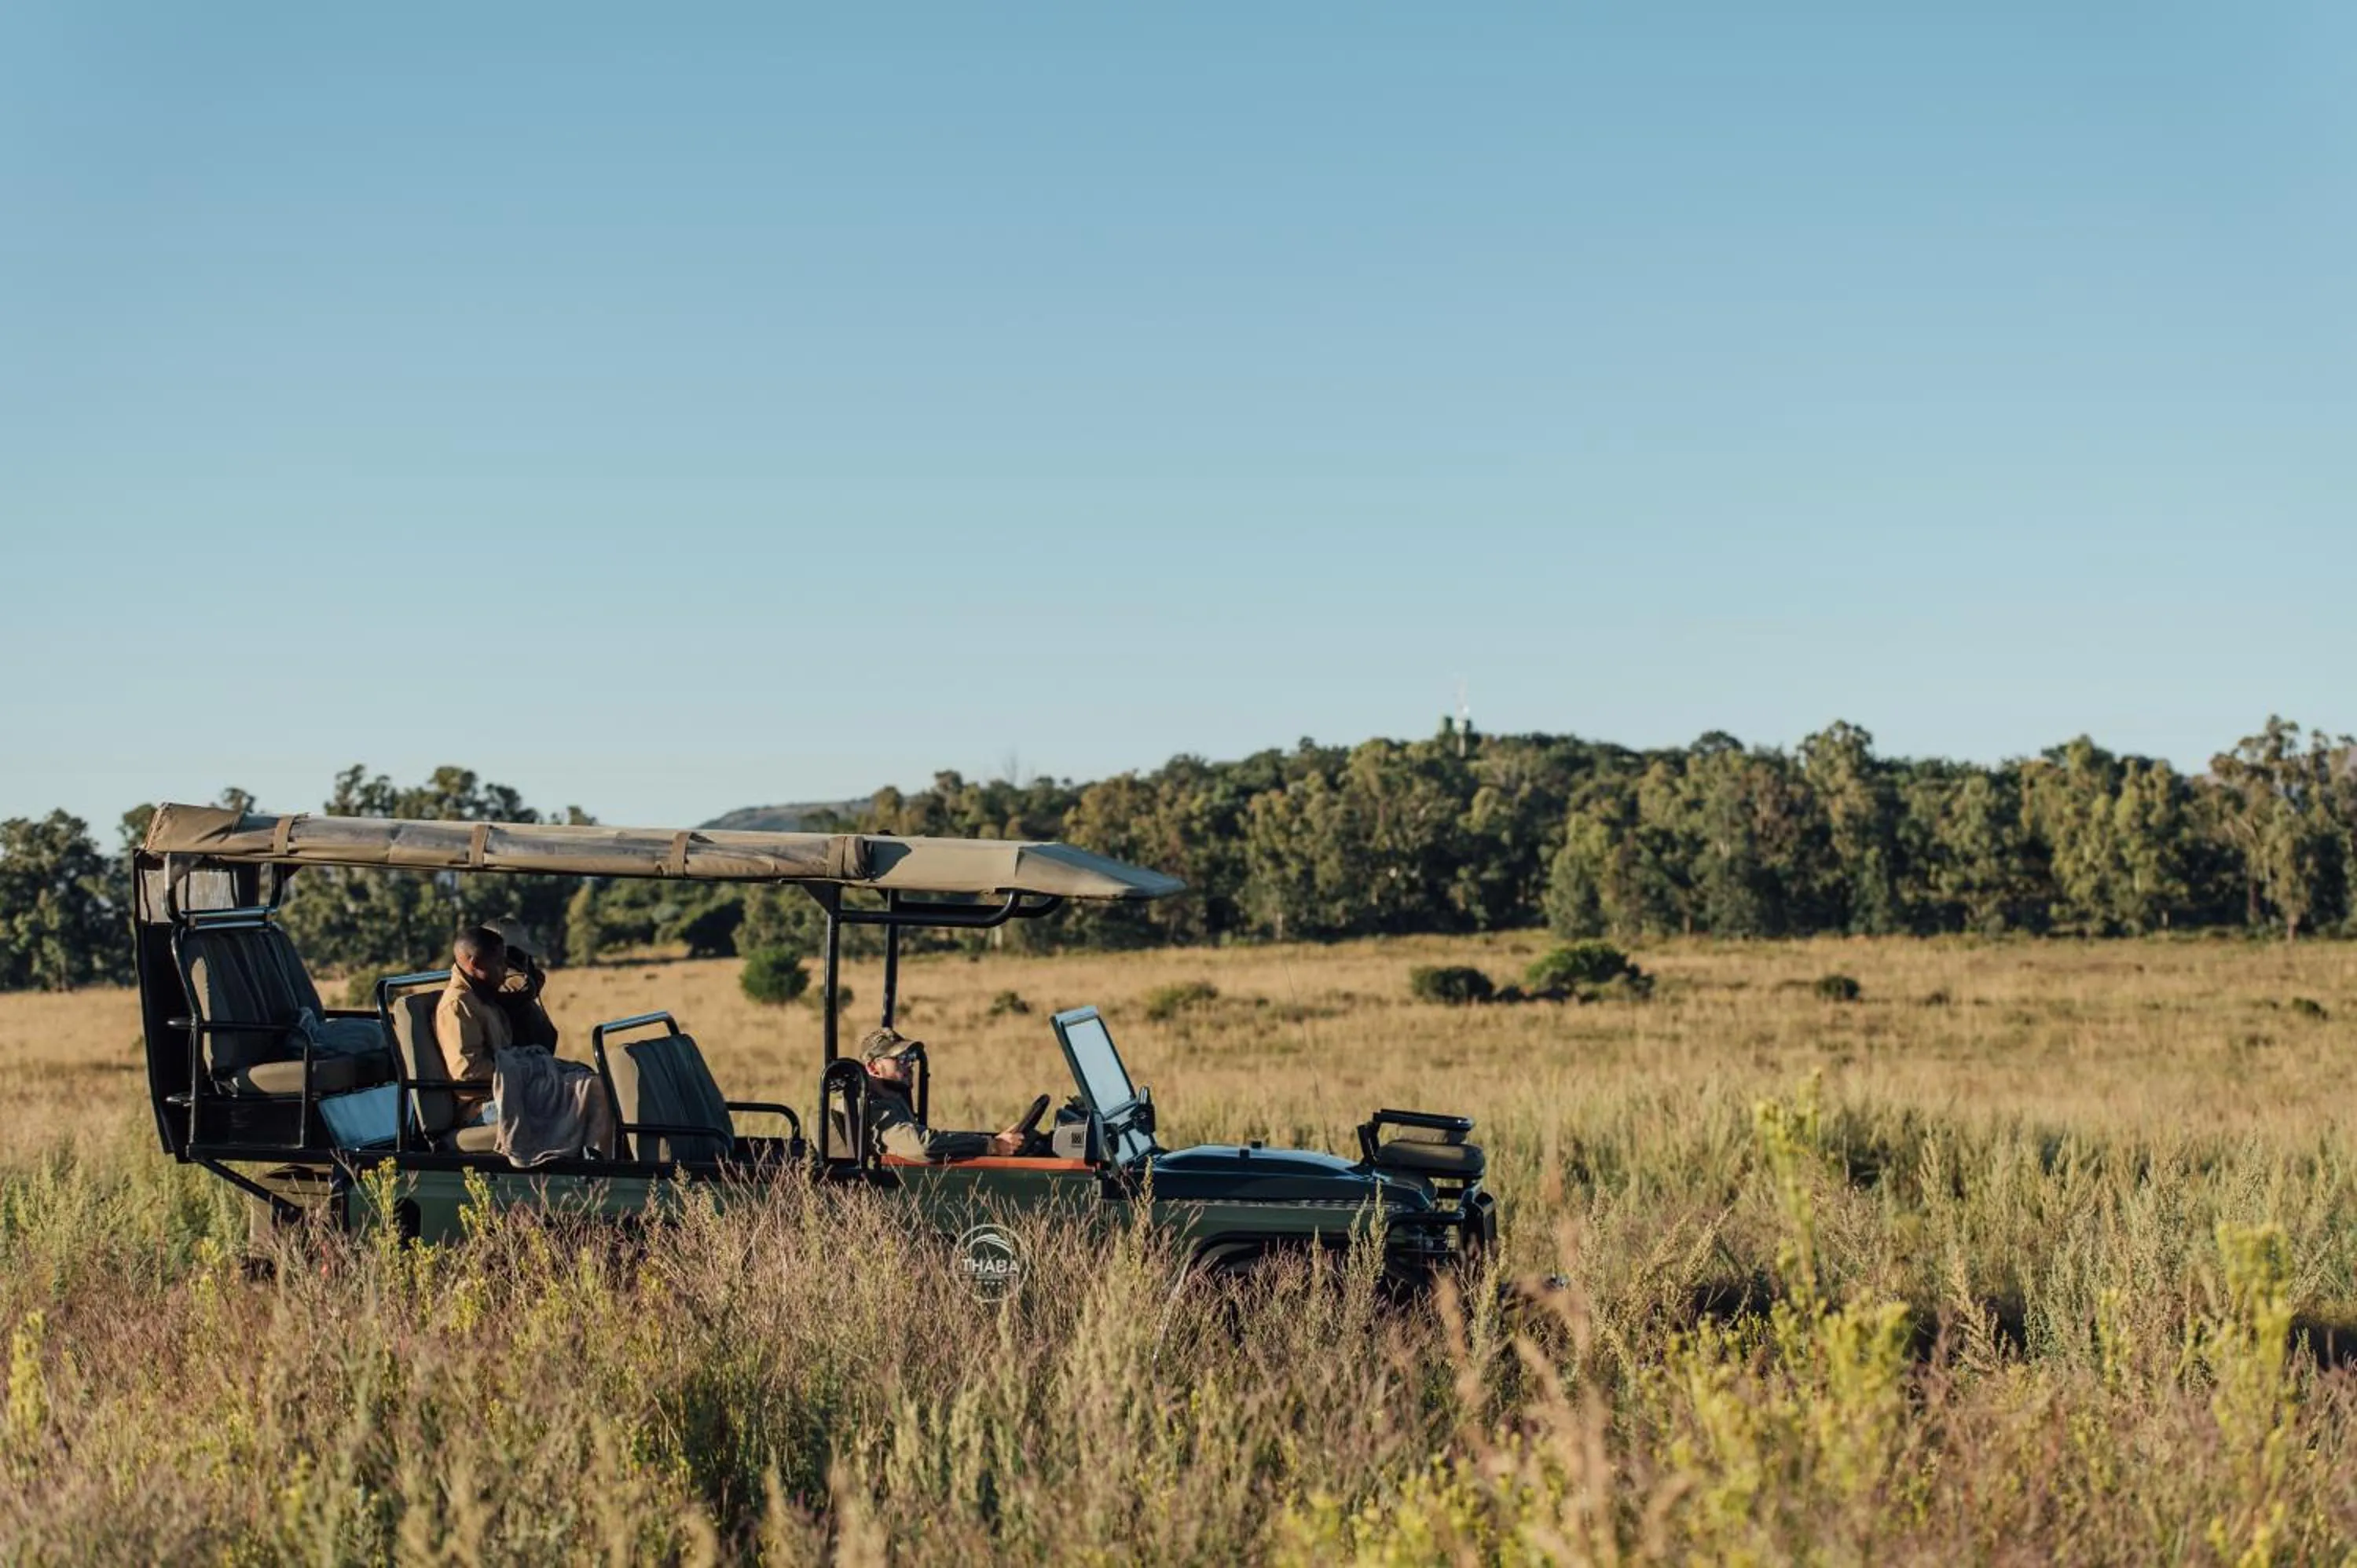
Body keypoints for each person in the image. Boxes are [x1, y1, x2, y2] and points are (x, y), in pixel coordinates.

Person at [434, 925, 614, 1159]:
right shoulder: (459, 1005)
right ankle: (596, 1169)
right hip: (483, 1106)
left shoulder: (484, 996)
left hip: (509, 1089)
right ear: (475, 964)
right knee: (589, 1091)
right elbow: (467, 1070)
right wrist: (525, 1071)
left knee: (591, 1081)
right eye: (499, 963)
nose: (504, 971)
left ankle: (598, 1158)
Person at [858, 1027, 1031, 1162]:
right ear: (873, 1068)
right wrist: (991, 1146)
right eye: (901, 1059)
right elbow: (922, 1146)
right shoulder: (871, 1107)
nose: (909, 1065)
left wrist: (994, 1140)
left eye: (910, 1058)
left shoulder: (892, 1098)